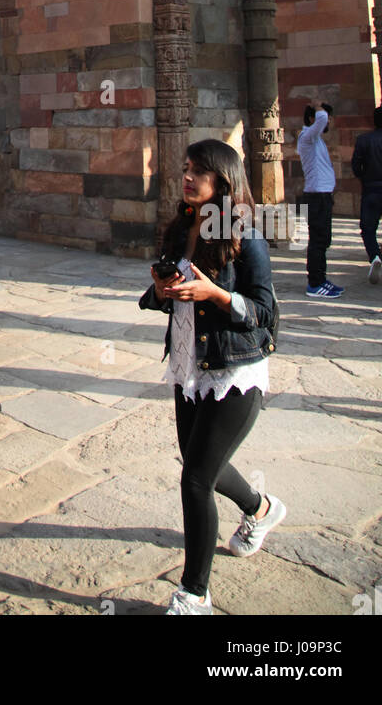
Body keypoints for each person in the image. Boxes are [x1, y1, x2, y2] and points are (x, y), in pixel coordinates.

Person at [139, 139, 284, 615]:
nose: (186, 177)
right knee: (204, 464)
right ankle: (262, 508)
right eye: (185, 168)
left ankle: (194, 594)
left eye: (197, 171)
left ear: (223, 181)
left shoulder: (246, 234)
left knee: (196, 478)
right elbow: (163, 296)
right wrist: (161, 290)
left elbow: (263, 311)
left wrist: (215, 294)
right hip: (188, 364)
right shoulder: (182, 227)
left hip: (234, 370)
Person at [297, 102, 343, 298]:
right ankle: (315, 283)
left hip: (322, 196)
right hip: (316, 197)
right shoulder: (307, 136)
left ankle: (321, 279)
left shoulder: (316, 140)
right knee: (317, 241)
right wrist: (317, 105)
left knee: (323, 240)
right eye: (327, 117)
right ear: (311, 119)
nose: (328, 121)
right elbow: (322, 118)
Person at [351, 105, 382, 286]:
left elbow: (355, 166)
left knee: (368, 229)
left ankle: (375, 255)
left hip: (371, 190)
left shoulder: (363, 140)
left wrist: (365, 178)